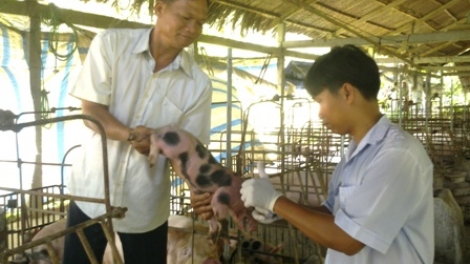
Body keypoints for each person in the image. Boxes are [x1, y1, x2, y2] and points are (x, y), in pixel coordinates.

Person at [240, 45, 435, 263]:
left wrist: (276, 202)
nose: (320, 113)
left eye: (320, 101)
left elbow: (348, 239)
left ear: (347, 93)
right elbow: (332, 215)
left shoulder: (398, 155)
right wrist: (278, 209)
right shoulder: (354, 153)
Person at [63, 0, 212, 263]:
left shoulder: (198, 84)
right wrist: (131, 134)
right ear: (159, 8)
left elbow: (188, 152)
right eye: (186, 17)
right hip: (91, 193)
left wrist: (196, 188)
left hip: (146, 206)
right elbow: (91, 110)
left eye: (200, 22)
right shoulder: (111, 44)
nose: (193, 29)